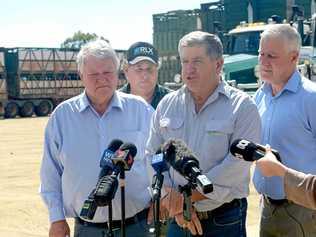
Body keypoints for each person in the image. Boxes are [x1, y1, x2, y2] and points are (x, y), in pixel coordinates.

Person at [146, 31, 261, 236]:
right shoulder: (167, 105)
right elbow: (152, 154)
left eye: (197, 61)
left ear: (218, 64)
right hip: (178, 219)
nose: (189, 69)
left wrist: (186, 198)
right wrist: (170, 198)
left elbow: (236, 166)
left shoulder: (242, 107)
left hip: (223, 219)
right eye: (184, 61)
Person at [39, 40, 154, 237]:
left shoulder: (141, 110)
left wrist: (160, 199)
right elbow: (50, 173)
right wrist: (56, 218)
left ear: (117, 74)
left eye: (108, 72)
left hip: (138, 226)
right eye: (93, 74)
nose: (102, 79)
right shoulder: (62, 117)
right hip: (87, 229)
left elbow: (158, 159)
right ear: (81, 76)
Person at [253, 24, 316, 237]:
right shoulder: (260, 97)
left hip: (304, 212)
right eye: (261, 53)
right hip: (267, 208)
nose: (263, 61)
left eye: (271, 55)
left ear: (294, 57)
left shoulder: (311, 98)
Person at [120, 41, 172, 109]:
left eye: (149, 69)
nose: (145, 76)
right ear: (126, 70)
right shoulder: (114, 103)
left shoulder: (172, 101)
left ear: (157, 70)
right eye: (139, 69)